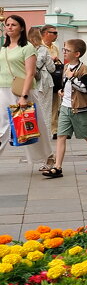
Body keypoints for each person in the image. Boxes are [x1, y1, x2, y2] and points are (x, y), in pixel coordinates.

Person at [42, 38, 87, 179]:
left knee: (86, 135)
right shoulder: (66, 67)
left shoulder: (84, 69)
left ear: (77, 54)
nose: (64, 52)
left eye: (67, 50)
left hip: (80, 109)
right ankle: (57, 167)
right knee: (61, 136)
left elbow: (84, 88)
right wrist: (62, 91)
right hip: (65, 107)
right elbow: (67, 85)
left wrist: (71, 78)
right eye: (64, 49)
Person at [1, 15, 51, 170]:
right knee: (2, 127)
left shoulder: (27, 48)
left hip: (22, 91)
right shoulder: (3, 48)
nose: (9, 27)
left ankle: (48, 158)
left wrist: (23, 96)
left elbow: (30, 73)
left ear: (21, 28)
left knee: (33, 126)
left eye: (13, 24)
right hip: (3, 90)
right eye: (7, 24)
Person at [26, 27, 56, 171]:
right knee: (45, 115)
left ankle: (42, 154)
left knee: (33, 117)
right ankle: (48, 154)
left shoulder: (25, 48)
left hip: (29, 85)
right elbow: (51, 68)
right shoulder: (43, 50)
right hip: (43, 84)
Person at [41, 24, 62, 138]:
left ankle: (54, 129)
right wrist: (50, 60)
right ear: (45, 34)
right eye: (54, 33)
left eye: (56, 33)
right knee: (44, 105)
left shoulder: (55, 48)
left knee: (55, 104)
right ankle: (44, 128)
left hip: (54, 79)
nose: (56, 35)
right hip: (42, 81)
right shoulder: (39, 46)